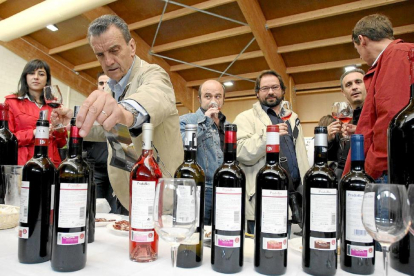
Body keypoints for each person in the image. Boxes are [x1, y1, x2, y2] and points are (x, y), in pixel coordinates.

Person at [52, 15, 183, 209]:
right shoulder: (111, 88)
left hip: (162, 195)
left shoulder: (153, 74)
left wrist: (125, 112)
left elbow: (153, 97)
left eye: (114, 50)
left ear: (132, 47)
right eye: (100, 55)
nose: (108, 61)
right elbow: (109, 129)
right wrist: (75, 119)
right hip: (127, 194)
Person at [233, 70, 310, 234]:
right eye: (265, 88)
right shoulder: (245, 118)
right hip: (263, 195)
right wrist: (268, 137)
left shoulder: (292, 117)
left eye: (275, 87)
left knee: (284, 249)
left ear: (282, 90)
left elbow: (300, 154)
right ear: (257, 93)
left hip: (293, 193)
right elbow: (240, 152)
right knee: (260, 252)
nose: (270, 92)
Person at [343, 14, 414, 182]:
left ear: (362, 40)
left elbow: (391, 119)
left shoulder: (395, 56)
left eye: (357, 49)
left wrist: (369, 170)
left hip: (388, 170)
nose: (360, 56)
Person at [179, 79, 228, 225]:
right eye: (208, 96)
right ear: (199, 99)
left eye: (218, 96)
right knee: (195, 235)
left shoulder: (229, 125)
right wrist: (206, 122)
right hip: (198, 190)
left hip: (224, 191)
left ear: (223, 100)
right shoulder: (186, 120)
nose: (213, 101)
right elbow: (182, 144)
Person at [4, 59, 67, 167]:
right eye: (31, 73)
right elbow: (7, 140)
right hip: (25, 163)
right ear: (25, 77)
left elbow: (62, 143)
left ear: (47, 78)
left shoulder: (54, 104)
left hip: (52, 163)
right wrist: (34, 132)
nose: (36, 77)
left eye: (41, 74)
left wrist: (59, 127)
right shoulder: (12, 103)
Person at [83, 72, 126, 214]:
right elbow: (89, 134)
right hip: (96, 167)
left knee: (115, 210)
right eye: (101, 83)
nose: (104, 86)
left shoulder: (122, 108)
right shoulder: (89, 109)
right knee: (95, 207)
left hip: (118, 167)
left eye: (108, 83)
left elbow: (122, 136)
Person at [327, 69, 367, 180]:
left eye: (358, 82)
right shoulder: (343, 118)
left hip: (366, 176)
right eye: (348, 85)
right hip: (342, 176)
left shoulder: (377, 114)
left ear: (367, 84)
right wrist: (329, 139)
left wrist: (360, 132)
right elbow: (333, 156)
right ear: (343, 92)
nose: (354, 87)